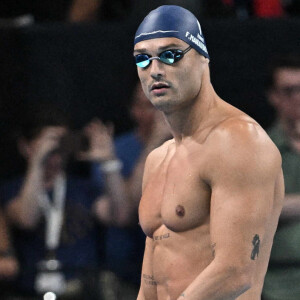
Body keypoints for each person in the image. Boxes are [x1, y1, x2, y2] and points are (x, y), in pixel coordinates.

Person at [133, 5, 284, 300]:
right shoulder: (158, 159)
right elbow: (151, 281)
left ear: (203, 58)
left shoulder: (239, 141)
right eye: (142, 59)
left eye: (170, 54)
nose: (155, 70)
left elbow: (236, 271)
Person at [0, 102, 105, 299]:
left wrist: (110, 163)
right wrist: (38, 160)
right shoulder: (12, 189)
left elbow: (120, 215)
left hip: (81, 289)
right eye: (50, 145)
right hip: (29, 290)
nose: (56, 156)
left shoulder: (82, 187)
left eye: (61, 145)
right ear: (24, 146)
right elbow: (26, 218)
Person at [86, 83, 172, 299]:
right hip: (127, 276)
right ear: (136, 111)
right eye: (152, 105)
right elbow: (127, 209)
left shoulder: (188, 149)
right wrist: (155, 141)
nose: (161, 112)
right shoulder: (114, 152)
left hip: (178, 272)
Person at [262, 53, 300, 300]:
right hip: (277, 283)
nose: (298, 98)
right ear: (273, 96)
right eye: (289, 91)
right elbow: (259, 208)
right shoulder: (259, 148)